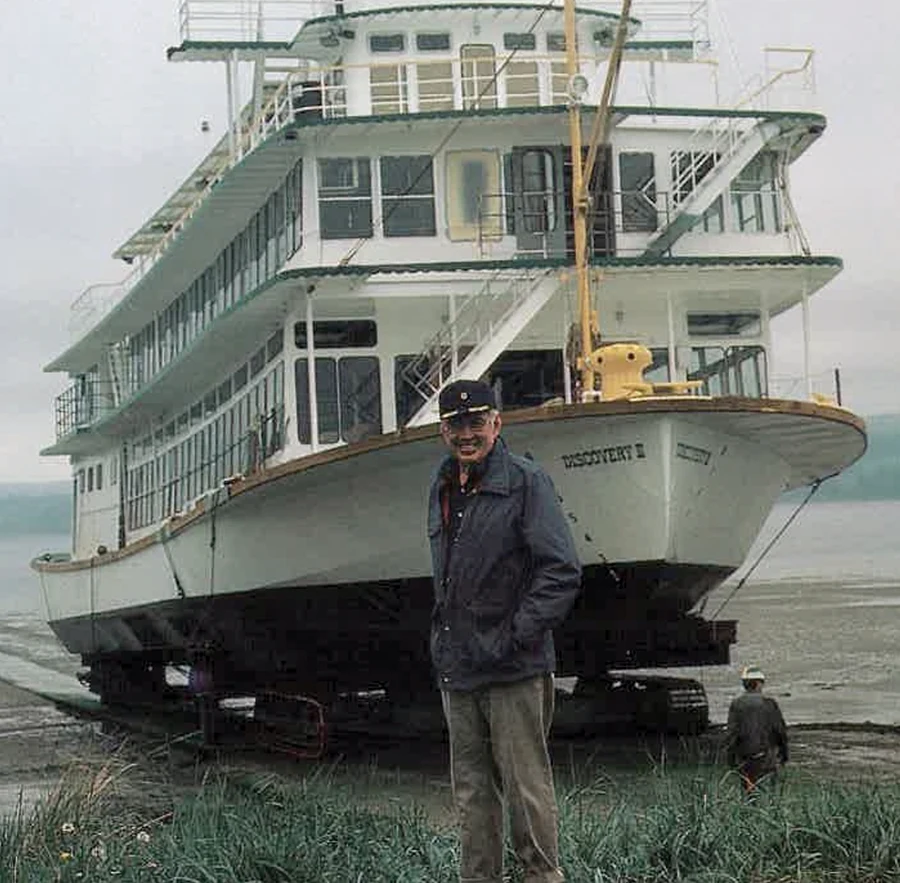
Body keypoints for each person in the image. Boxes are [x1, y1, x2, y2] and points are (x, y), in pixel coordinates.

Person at [427, 378, 582, 883]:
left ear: (497, 422)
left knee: (525, 787)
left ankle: (542, 878)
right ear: (443, 430)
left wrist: (515, 636)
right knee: (471, 793)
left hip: (514, 667)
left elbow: (560, 570)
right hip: (460, 667)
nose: (466, 434)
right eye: (456, 425)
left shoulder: (525, 481)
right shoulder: (443, 485)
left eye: (476, 423)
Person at [726, 665, 789, 796]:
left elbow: (732, 734)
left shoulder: (736, 704)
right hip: (767, 758)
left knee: (749, 794)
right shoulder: (770, 704)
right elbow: (780, 731)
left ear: (745, 684)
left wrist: (731, 759)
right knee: (768, 794)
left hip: (745, 759)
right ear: (759, 683)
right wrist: (784, 754)